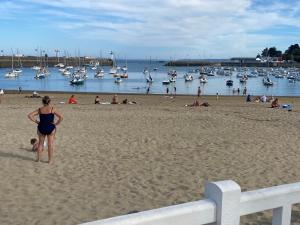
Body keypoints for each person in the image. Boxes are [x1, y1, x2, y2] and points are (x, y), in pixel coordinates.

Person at [28, 96, 63, 164]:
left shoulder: (40, 109)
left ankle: (38, 159)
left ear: (42, 102)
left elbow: (29, 115)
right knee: (50, 144)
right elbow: (61, 117)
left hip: (41, 127)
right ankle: (50, 161)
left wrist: (36, 121)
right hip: (50, 127)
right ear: (49, 102)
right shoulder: (52, 109)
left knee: (40, 144)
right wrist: (56, 124)